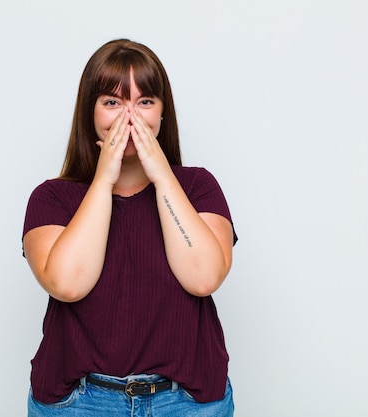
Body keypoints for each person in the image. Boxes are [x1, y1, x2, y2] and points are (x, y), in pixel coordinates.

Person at [22, 39, 237, 416]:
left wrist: (162, 175)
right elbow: (69, 284)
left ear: (162, 114)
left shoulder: (198, 187)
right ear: (89, 113)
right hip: (79, 404)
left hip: (186, 403)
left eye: (145, 101)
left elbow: (203, 277)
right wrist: (104, 180)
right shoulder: (51, 199)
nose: (130, 116)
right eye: (112, 102)